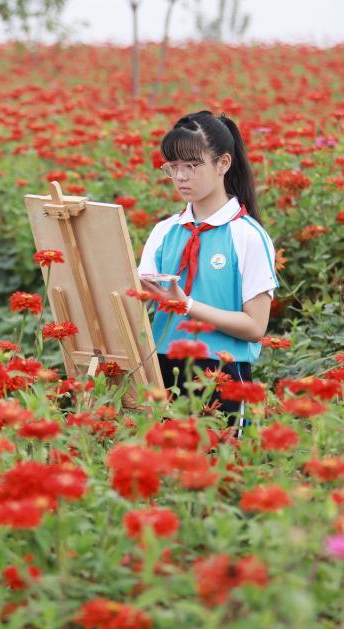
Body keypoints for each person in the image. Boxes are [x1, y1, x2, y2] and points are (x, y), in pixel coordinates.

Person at [137, 111, 278, 421]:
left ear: (223, 164)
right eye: (173, 167)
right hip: (162, 369)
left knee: (220, 465)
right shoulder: (164, 232)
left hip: (221, 374)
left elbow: (256, 327)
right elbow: (140, 301)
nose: (181, 177)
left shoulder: (248, 236)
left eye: (192, 166)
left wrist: (186, 305)